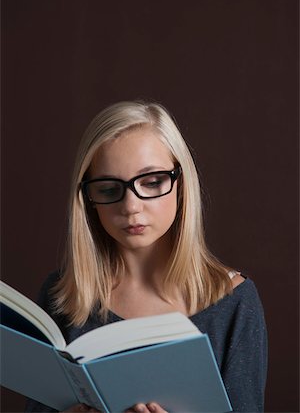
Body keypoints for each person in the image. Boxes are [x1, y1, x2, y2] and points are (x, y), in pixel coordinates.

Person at [25, 101, 267, 413]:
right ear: (87, 199)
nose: (131, 206)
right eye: (109, 189)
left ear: (180, 183)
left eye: (152, 182)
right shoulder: (62, 296)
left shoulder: (234, 302)